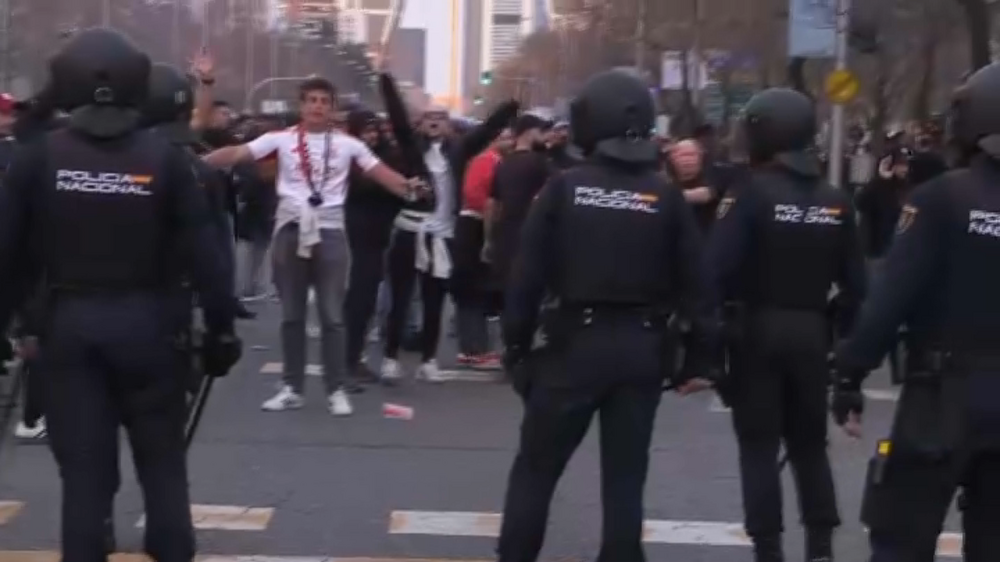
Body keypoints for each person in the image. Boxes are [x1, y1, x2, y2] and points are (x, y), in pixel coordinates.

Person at [0, 28, 241, 562]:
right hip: (152, 327)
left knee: (84, 477)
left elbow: (8, 254)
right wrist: (221, 329)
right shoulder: (167, 160)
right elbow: (208, 256)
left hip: (69, 328)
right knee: (163, 466)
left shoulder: (39, 158)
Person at [496, 69, 719, 562]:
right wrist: (700, 358)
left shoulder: (563, 188)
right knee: (625, 481)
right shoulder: (665, 196)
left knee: (536, 471)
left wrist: (516, 347)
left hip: (572, 344)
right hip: (642, 347)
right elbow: (699, 284)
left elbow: (526, 277)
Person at [834, 62, 1000, 562]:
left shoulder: (941, 198)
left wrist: (851, 372)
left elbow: (892, 297)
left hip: (942, 395)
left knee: (901, 538)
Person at [704, 88, 867, 562]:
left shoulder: (748, 194)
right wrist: (841, 343)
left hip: (756, 330)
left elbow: (713, 272)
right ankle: (820, 548)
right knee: (810, 446)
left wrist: (709, 349)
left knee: (758, 446)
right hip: (812, 333)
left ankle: (769, 549)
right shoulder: (836, 200)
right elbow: (857, 287)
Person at [203, 76, 425, 416]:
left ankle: (336, 388)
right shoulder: (280, 139)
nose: (318, 107)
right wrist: (197, 164)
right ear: (302, 106)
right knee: (292, 315)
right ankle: (292, 388)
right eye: (312, 101)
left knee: (332, 316)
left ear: (332, 109)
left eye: (324, 101)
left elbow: (382, 174)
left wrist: (409, 188)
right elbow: (238, 153)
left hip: (331, 232)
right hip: (290, 230)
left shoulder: (349, 145)